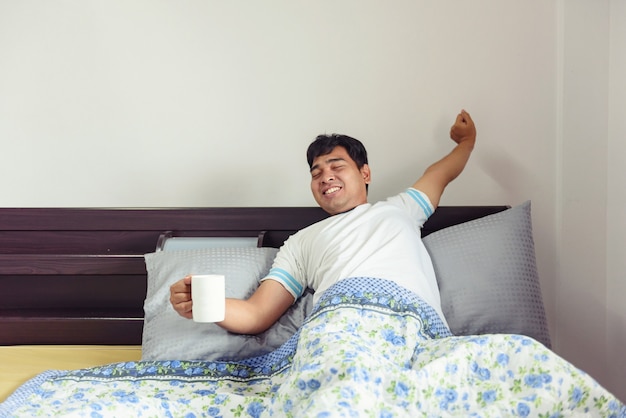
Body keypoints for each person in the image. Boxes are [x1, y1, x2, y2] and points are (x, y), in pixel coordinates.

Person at [170, 109, 476, 335]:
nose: (325, 176)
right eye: (316, 172)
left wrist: (466, 142)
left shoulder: (401, 209)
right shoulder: (301, 242)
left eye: (336, 166)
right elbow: (256, 313)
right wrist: (202, 303)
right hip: (340, 333)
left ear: (364, 174)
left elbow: (441, 173)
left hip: (416, 328)